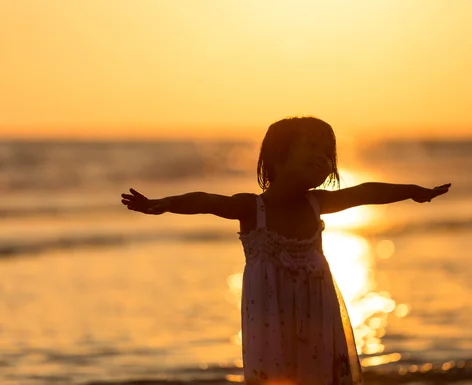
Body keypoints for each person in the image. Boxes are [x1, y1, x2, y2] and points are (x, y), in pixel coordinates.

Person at [121, 116, 451, 385]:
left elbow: (364, 192)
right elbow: (205, 201)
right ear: (278, 157)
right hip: (269, 316)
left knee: (322, 372)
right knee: (276, 374)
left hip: (317, 311)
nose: (321, 159)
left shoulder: (317, 203)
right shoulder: (253, 208)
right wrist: (161, 204)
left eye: (326, 154)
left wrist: (410, 190)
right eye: (311, 150)